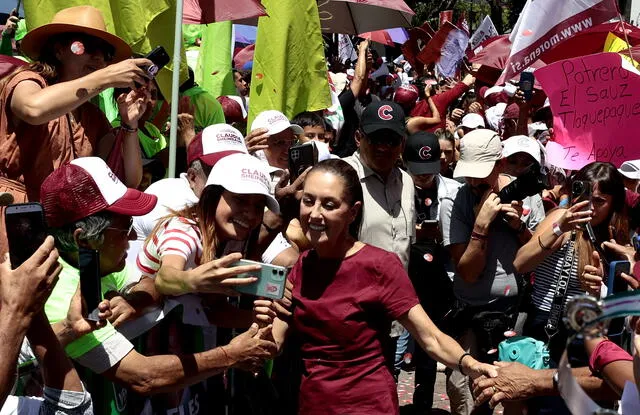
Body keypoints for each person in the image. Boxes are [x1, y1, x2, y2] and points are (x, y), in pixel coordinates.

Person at [39, 157, 276, 413]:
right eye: (124, 227)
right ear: (83, 240)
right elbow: (143, 376)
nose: (134, 236)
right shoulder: (62, 295)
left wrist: (135, 301)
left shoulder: (95, 267)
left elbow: (150, 283)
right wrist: (231, 355)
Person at [270, 159, 498, 415]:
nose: (314, 213)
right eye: (308, 201)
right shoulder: (301, 267)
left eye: (329, 204)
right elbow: (273, 343)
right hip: (313, 405)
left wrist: (468, 364)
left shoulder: (379, 265)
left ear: (353, 212)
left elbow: (429, 337)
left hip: (368, 406)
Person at [0, 6, 153, 255]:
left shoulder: (92, 116)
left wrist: (130, 123)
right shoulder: (28, 80)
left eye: (106, 53)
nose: (98, 59)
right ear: (58, 49)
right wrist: (105, 77)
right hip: (12, 218)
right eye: (85, 46)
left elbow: (126, 178)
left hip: (58, 228)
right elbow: (34, 109)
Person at [440, 129, 543, 415]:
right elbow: (468, 273)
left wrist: (519, 228)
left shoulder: (526, 196)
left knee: (514, 396)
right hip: (469, 314)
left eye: (481, 173)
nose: (473, 181)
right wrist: (481, 226)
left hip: (514, 314)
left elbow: (540, 255)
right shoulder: (453, 202)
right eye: (468, 174)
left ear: (500, 163)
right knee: (467, 395)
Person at [513, 162, 630, 361]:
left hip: (590, 330)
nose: (590, 207)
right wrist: (559, 228)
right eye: (585, 196)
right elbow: (520, 263)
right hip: (549, 326)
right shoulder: (562, 218)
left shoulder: (612, 234)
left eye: (600, 201)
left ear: (614, 204)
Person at [138, 152, 281, 296]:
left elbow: (214, 309)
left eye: (258, 206)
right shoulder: (184, 229)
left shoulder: (231, 239)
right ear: (212, 197)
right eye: (240, 200)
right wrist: (191, 280)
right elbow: (165, 278)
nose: (250, 214)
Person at [403, 131, 462, 411]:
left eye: (429, 171)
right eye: (417, 172)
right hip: (407, 272)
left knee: (435, 342)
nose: (423, 177)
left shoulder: (454, 190)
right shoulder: (396, 187)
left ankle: (424, 405)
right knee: (400, 345)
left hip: (441, 275)